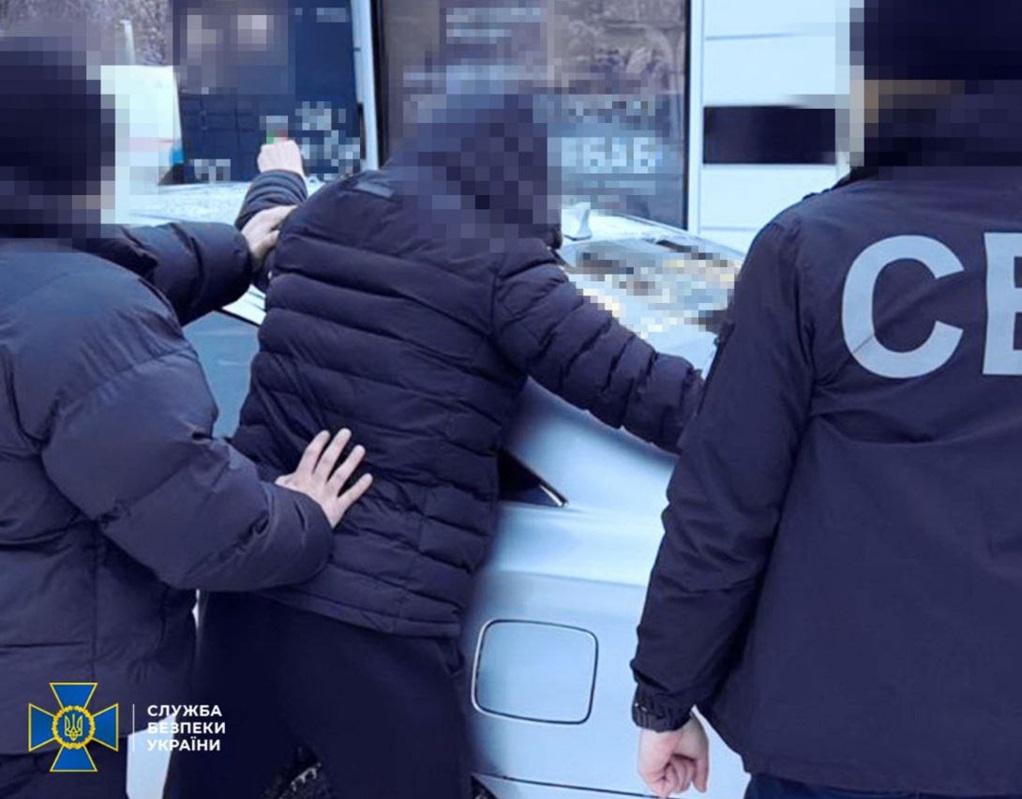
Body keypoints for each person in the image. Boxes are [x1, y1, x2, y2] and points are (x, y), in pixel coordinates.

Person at [630, 2, 1022, 799]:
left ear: (887, 78)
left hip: (839, 745)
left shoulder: (812, 248)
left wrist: (666, 697)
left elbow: (725, 504)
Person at [169, 92, 705, 799]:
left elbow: (264, 236)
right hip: (376, 625)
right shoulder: (501, 266)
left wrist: (279, 179)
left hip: (247, 594)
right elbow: (639, 385)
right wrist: (784, 425)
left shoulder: (324, 217)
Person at [0, 30, 372, 799]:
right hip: (45, 721)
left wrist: (239, 246)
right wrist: (301, 513)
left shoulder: (57, 294)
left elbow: (94, 273)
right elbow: (208, 532)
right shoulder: (85, 316)